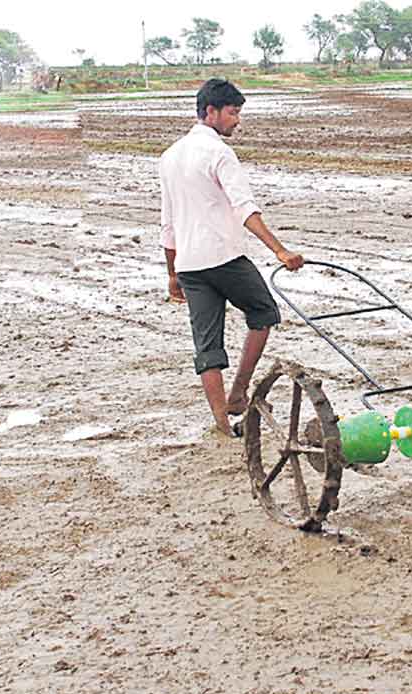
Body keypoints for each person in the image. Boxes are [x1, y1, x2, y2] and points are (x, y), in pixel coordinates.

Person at [159, 78, 304, 437]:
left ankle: (223, 424)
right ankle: (238, 392)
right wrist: (279, 250)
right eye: (233, 113)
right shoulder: (219, 153)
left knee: (207, 345)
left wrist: (172, 273)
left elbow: (168, 222)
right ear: (211, 112)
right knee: (264, 312)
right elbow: (244, 207)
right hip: (223, 258)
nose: (237, 120)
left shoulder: (169, 156)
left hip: (190, 266)